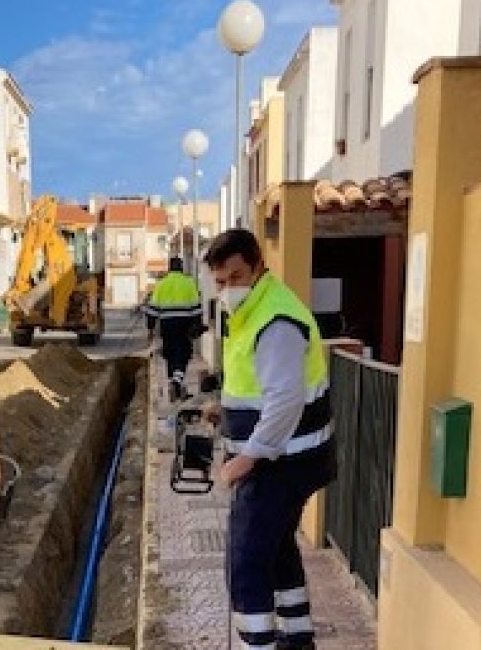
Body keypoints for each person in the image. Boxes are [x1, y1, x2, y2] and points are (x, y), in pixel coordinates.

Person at [202, 229, 336, 650]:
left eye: (236, 278)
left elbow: (284, 401)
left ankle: (257, 644)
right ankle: (297, 641)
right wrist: (225, 411)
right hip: (294, 460)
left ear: (258, 265)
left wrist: (248, 457)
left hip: (281, 464)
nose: (228, 290)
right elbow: (261, 387)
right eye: (221, 282)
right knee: (277, 553)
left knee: (246, 564)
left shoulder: (275, 321)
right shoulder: (257, 308)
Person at [141, 256, 203, 401]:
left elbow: (153, 309)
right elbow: (196, 308)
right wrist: (197, 324)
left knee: (169, 354)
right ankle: (176, 383)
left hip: (167, 324)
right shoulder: (189, 283)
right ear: (182, 268)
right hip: (184, 324)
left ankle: (173, 385)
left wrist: (150, 328)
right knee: (183, 354)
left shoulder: (161, 284)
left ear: (169, 268)